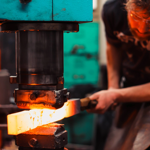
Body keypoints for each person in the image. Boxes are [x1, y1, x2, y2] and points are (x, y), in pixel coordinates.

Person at [88, 0, 150, 149]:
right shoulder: (112, 10)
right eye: (136, 16)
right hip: (130, 87)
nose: (142, 28)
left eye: (149, 20)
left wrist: (116, 95)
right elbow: (113, 45)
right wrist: (113, 88)